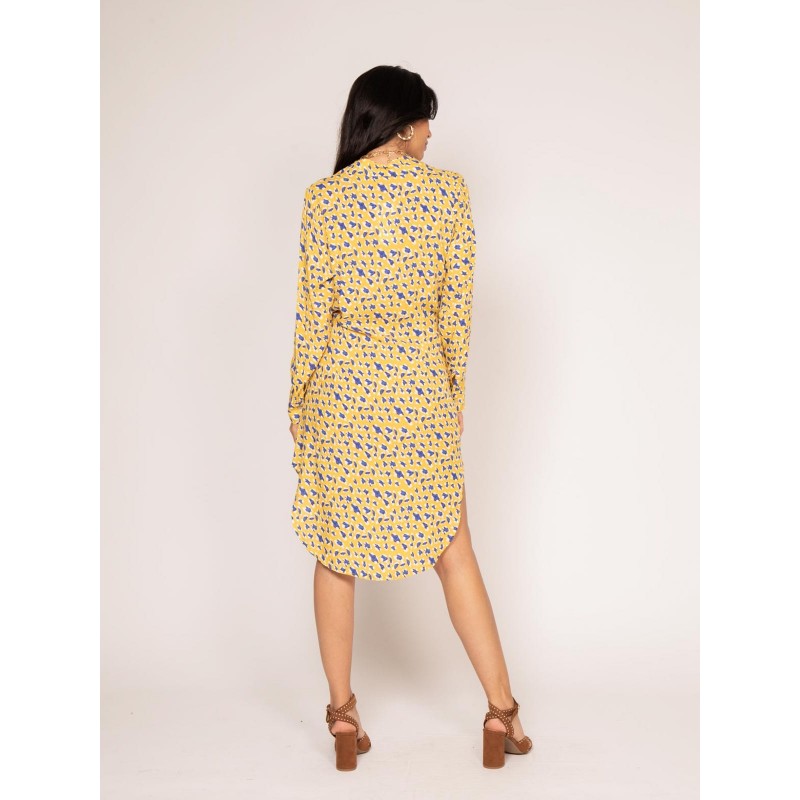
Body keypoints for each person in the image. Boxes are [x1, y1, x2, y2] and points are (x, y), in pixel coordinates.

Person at [287, 65, 533, 770]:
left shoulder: (324, 199)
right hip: (420, 385)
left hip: (340, 389)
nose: (429, 134)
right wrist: (452, 395)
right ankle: (502, 712)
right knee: (454, 548)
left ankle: (342, 717)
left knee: (334, 551)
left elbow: (312, 312)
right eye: (426, 120)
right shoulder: (448, 193)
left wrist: (298, 401)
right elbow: (456, 312)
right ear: (400, 123)